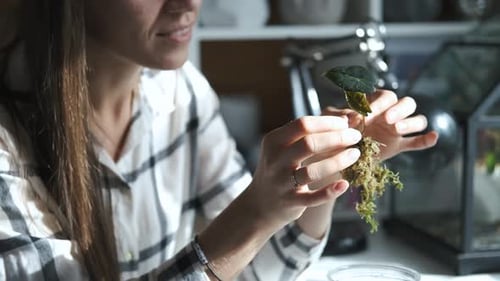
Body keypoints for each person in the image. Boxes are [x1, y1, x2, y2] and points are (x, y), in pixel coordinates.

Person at [0, 0, 438, 280]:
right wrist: (254, 214)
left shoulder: (183, 91)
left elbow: (251, 272)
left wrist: (324, 180)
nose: (189, 3)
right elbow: (238, 242)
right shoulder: (8, 137)